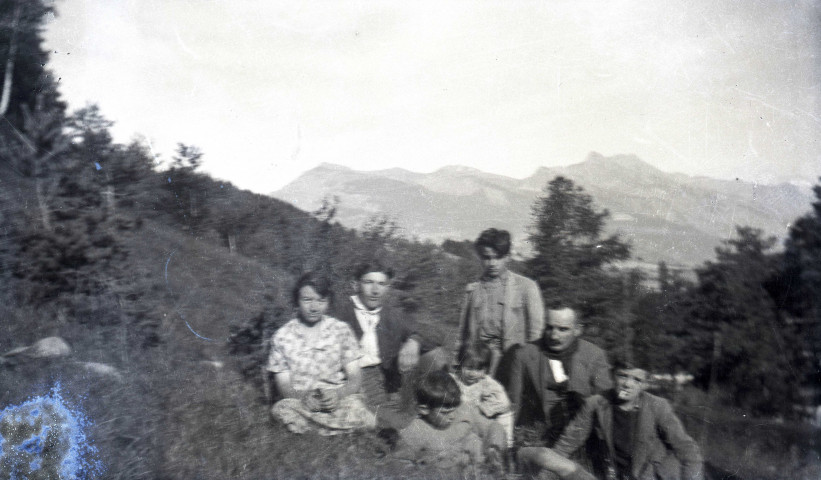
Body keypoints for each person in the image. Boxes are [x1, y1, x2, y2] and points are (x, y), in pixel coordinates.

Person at [517, 359, 704, 480]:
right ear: (613, 376)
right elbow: (566, 445)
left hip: (648, 476)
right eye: (622, 376)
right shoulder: (596, 404)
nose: (628, 384)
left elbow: (688, 450)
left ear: (645, 384)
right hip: (609, 476)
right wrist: (544, 476)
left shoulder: (658, 406)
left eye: (636, 380)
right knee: (546, 457)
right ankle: (515, 455)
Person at [336, 261, 448, 422]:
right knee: (394, 421)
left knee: (436, 355)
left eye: (381, 284)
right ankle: (401, 417)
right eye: (369, 282)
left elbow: (438, 333)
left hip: (386, 377)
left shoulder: (390, 314)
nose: (375, 291)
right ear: (356, 285)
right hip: (353, 377)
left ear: (387, 288)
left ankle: (427, 405)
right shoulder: (341, 311)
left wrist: (414, 341)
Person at [266, 272, 376, 435]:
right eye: (307, 300)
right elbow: (284, 386)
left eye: (320, 300)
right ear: (297, 300)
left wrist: (338, 394)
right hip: (302, 402)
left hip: (338, 400)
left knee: (363, 413)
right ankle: (339, 431)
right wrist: (303, 398)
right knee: (281, 409)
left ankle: (310, 431)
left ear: (328, 302)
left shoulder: (341, 330)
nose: (314, 307)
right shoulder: (282, 336)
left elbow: (355, 377)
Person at [507, 307, 612, 444]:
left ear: (577, 330)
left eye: (563, 329)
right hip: (537, 436)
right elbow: (513, 403)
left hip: (580, 437)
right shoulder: (524, 354)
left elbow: (605, 406)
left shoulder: (595, 355)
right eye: (549, 328)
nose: (554, 336)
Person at [457, 228, 545, 377]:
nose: (492, 263)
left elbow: (536, 334)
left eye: (497, 257)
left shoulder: (526, 287)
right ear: (480, 256)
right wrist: (456, 366)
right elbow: (462, 334)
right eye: (487, 257)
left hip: (512, 362)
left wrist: (529, 369)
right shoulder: (473, 289)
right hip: (479, 364)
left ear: (508, 256)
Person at [393, 370, 507, 472]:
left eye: (454, 409)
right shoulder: (416, 431)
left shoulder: (463, 410)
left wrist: (494, 447)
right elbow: (400, 464)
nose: (453, 416)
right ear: (424, 409)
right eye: (445, 412)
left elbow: (493, 427)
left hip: (479, 470)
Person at [452, 342, 514, 448]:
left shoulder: (487, 383)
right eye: (469, 368)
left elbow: (504, 403)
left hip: (479, 419)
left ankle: (506, 443)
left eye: (478, 369)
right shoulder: (454, 380)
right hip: (457, 420)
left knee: (504, 415)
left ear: (485, 370)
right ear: (461, 364)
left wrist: (484, 408)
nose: (473, 373)